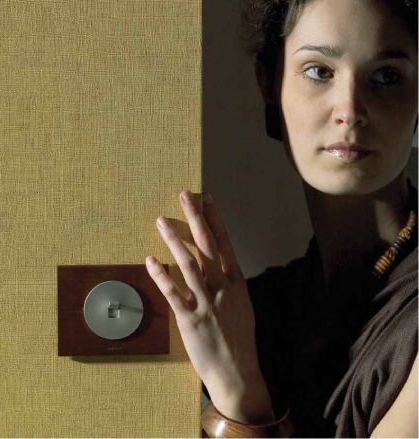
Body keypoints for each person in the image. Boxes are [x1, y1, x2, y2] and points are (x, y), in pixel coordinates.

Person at [145, 0, 418, 437]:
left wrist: (239, 396)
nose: (349, 110)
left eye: (386, 77)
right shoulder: (254, 312)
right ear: (268, 83)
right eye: (319, 71)